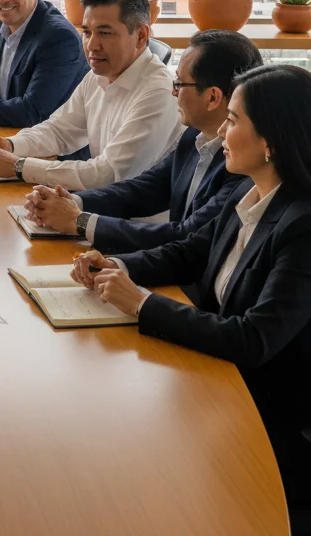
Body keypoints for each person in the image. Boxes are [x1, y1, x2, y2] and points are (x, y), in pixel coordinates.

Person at [72, 65, 311, 523]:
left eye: (235, 120)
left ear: (271, 142)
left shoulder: (303, 226)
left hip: (268, 416)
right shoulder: (251, 190)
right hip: (216, 381)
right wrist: (116, 266)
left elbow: (252, 339)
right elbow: (188, 254)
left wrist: (139, 302)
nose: (221, 129)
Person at [24, 30, 262, 250]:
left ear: (212, 97)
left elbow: (186, 235)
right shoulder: (194, 135)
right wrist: (73, 201)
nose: (173, 92)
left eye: (179, 83)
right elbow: (147, 189)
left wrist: (79, 222)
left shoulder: (244, 164)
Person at [0, 0, 182, 191]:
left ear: (141, 36)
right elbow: (59, 131)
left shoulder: (158, 92)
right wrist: (10, 145)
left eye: (105, 33)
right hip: (99, 208)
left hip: (132, 221)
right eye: (87, 32)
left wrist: (18, 166)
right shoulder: (97, 76)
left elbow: (108, 174)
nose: (91, 45)